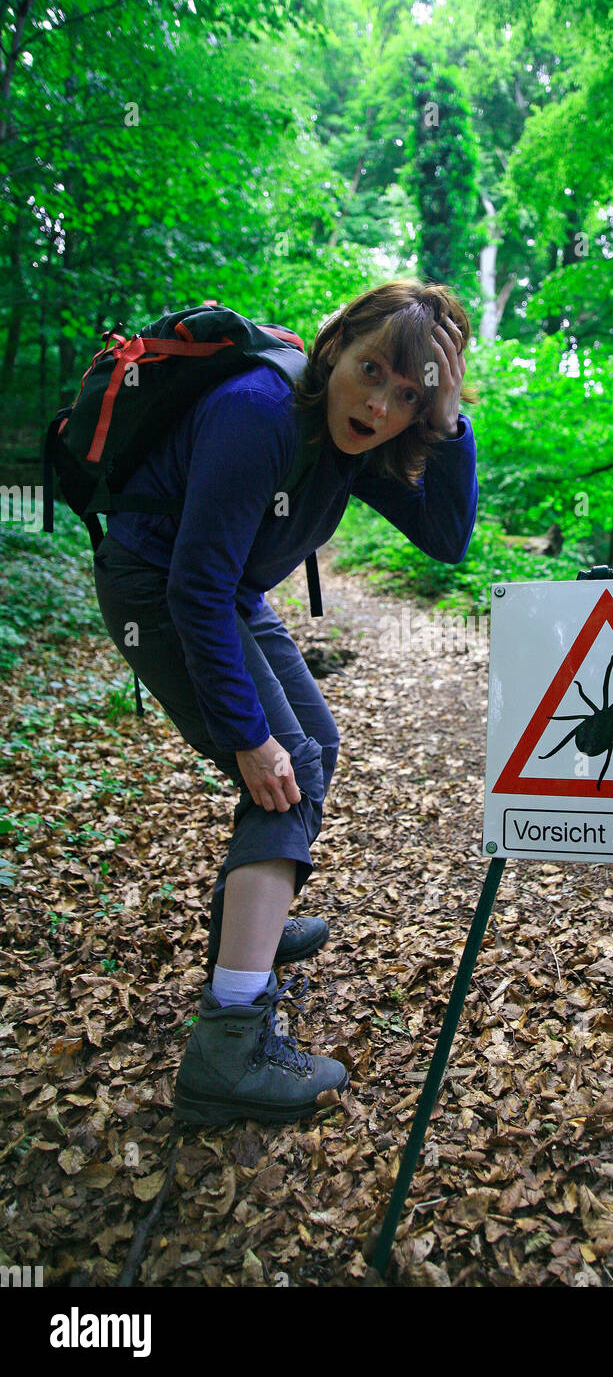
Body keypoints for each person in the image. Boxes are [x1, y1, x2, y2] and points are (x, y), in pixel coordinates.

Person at [92, 279, 479, 1126]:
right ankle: (229, 1045)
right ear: (335, 346)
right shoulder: (260, 410)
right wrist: (247, 737)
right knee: (285, 761)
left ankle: (248, 920)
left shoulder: (357, 435)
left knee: (317, 745)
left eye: (408, 394)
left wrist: (448, 425)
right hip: (157, 589)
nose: (379, 403)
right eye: (371, 369)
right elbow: (193, 587)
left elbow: (447, 541)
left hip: (225, 590)